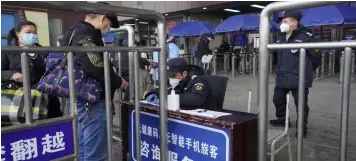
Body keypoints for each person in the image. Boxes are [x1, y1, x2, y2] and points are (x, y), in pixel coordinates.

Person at [61, 12, 128, 160]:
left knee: (84, 148)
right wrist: (117, 80)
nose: (107, 29)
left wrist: (109, 69)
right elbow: (93, 66)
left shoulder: (73, 30)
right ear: (103, 18)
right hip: (93, 100)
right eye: (108, 25)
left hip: (80, 96)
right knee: (96, 153)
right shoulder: (86, 33)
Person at [269, 11, 321, 137]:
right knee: (277, 99)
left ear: (294, 22)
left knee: (301, 105)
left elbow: (316, 57)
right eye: (282, 21)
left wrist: (306, 70)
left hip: (299, 78)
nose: (282, 24)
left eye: (285, 21)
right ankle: (282, 119)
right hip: (283, 76)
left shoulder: (306, 36)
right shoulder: (281, 36)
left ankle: (302, 127)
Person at [2, 21, 63, 119]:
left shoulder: (44, 51)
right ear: (18, 34)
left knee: (53, 125)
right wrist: (12, 74)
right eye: (28, 32)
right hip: (20, 100)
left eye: (34, 32)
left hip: (46, 98)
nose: (32, 35)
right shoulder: (7, 51)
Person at [145, 58, 215, 110]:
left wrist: (168, 99)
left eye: (173, 75)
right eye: (169, 75)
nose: (170, 78)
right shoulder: (175, 81)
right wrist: (153, 93)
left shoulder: (197, 81)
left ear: (184, 74)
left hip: (205, 118)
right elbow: (164, 89)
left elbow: (197, 99)